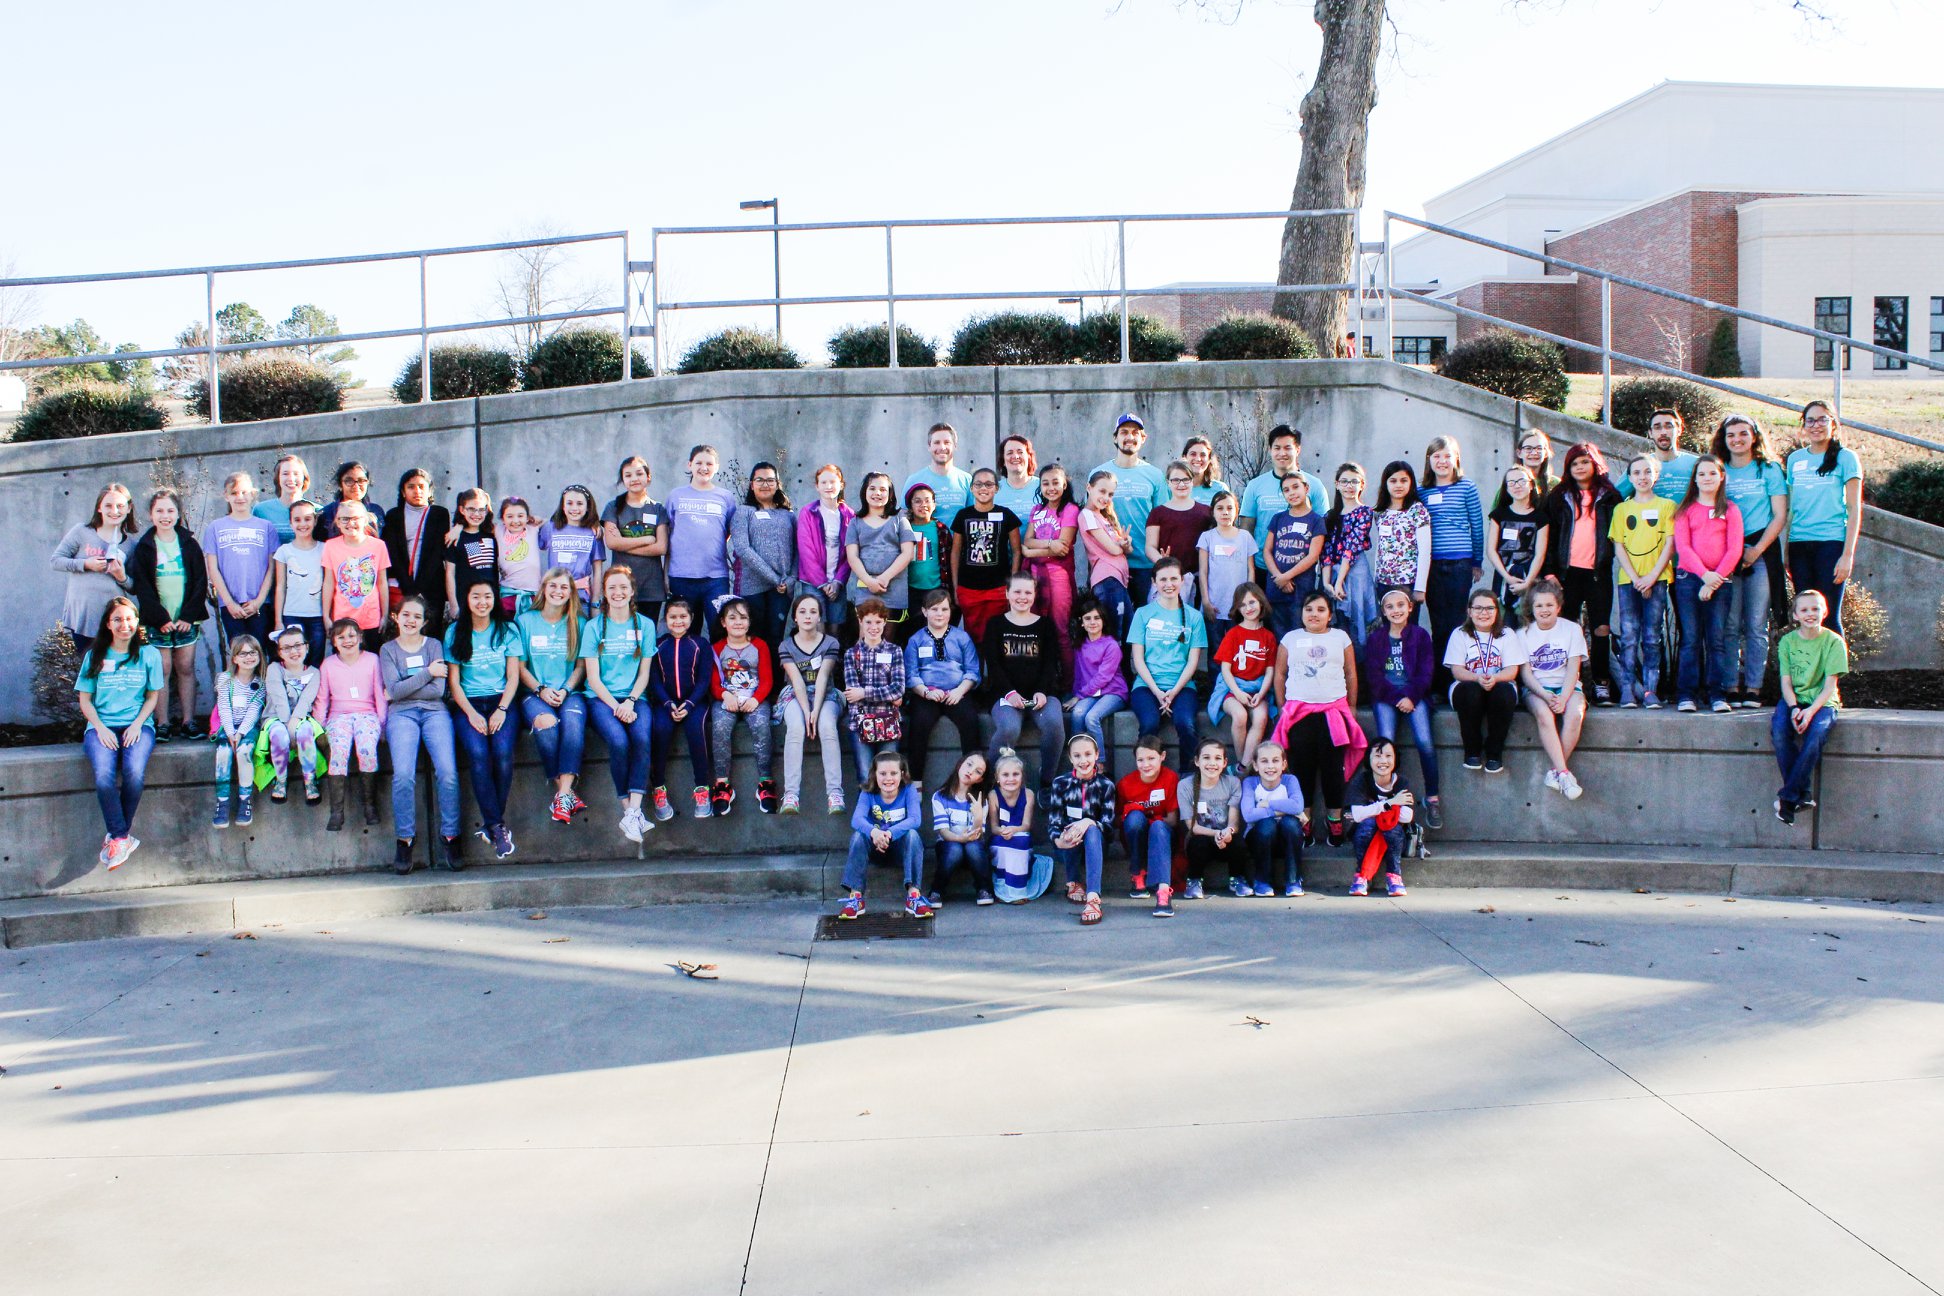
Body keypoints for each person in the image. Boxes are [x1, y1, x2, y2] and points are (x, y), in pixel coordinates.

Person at [75, 597, 163, 870]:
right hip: (101, 727)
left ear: (137, 622)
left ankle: (117, 837)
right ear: (108, 624)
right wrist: (100, 728)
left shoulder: (149, 654)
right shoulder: (95, 656)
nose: (124, 624)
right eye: (118, 620)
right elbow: (85, 700)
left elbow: (152, 697)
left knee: (134, 774)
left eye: (129, 619)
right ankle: (121, 836)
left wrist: (138, 724)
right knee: (104, 778)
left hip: (139, 725)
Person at [1270, 589, 1363, 846]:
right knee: (1302, 768)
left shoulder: (1340, 637)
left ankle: (1334, 820)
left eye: (1321, 610)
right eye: (1309, 609)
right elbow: (1279, 674)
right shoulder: (1290, 638)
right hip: (1299, 712)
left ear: (1330, 615)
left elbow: (1351, 674)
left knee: (1334, 768)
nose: (1314, 615)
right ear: (1301, 614)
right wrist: (1281, 705)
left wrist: (1352, 706)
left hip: (1334, 712)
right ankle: (1305, 820)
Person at [380, 596, 463, 874]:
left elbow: (437, 691)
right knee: (403, 775)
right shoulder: (388, 650)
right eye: (406, 615)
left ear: (425, 622)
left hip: (434, 712)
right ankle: (405, 838)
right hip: (401, 714)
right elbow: (394, 692)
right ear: (396, 617)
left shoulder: (434, 645)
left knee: (448, 772)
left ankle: (451, 835)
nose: (411, 620)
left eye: (417, 616)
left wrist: (403, 686)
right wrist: (428, 671)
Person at [1712, 415, 1790, 709]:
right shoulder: (1719, 470)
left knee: (1756, 625)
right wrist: (1732, 553)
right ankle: (1730, 685)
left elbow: (1779, 516)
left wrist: (1755, 551)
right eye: (1731, 435)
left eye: (1743, 434)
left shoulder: (1769, 469)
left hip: (1761, 550)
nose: (1737, 439)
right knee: (1730, 625)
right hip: (1726, 553)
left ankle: (1754, 688)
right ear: (1724, 438)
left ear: (1754, 437)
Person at [125, 488, 209, 742]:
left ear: (178, 514)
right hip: (158, 621)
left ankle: (188, 721)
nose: (165, 515)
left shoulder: (188, 543)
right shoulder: (146, 547)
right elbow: (143, 587)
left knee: (185, 667)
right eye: (159, 511)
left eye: (170, 510)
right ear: (150, 515)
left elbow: (199, 581)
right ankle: (162, 723)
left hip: (185, 619)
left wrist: (187, 615)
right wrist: (161, 618)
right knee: (161, 669)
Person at [584, 567, 661, 839]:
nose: (618, 593)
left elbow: (644, 673)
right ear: (604, 592)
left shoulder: (646, 625)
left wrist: (629, 701)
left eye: (623, 587)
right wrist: (617, 707)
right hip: (601, 699)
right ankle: (629, 810)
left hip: (635, 697)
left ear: (631, 591)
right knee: (619, 742)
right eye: (611, 588)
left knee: (641, 738)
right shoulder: (593, 627)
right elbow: (592, 678)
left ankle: (633, 813)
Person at [445, 584, 520, 857]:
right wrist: (472, 714)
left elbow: (513, 677)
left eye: (487, 596)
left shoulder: (507, 630)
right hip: (469, 703)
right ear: (467, 599)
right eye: (475, 596)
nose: (482, 602)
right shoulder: (455, 632)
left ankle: (493, 825)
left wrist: (501, 709)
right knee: (478, 754)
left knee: (501, 753)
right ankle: (497, 827)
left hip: (502, 701)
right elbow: (454, 681)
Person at [1543, 443, 1620, 705]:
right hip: (1567, 574)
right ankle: (1571, 682)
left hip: (1598, 574)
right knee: (1567, 629)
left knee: (1601, 629)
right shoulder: (1559, 496)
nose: (1580, 467)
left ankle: (1601, 684)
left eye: (1585, 462)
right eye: (1575, 463)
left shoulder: (1609, 496)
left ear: (1595, 464)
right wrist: (1550, 571)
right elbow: (1550, 537)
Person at [1364, 588, 1442, 830]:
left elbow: (1426, 673)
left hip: (1414, 695)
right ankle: (1384, 795)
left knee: (1424, 741)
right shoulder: (1376, 638)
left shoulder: (1420, 636)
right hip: (1387, 696)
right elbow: (1374, 677)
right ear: (1384, 611)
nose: (1396, 610)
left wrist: (1410, 696)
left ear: (1410, 607)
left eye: (1400, 605)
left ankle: (1432, 798)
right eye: (1390, 607)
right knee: (1385, 744)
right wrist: (1398, 697)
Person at [1671, 455, 1744, 715]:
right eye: (1701, 474)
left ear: (1721, 476)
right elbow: (1684, 549)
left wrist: (1714, 581)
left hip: (1721, 581)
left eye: (1712, 473)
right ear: (1695, 479)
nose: (1707, 478)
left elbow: (1735, 549)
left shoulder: (1731, 510)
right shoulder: (1685, 510)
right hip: (1689, 580)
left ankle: (1717, 695)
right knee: (1690, 639)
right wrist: (1704, 576)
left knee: (1716, 640)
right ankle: (1686, 695)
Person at [1784, 400, 1864, 637]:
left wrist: (1847, 555)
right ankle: (1808, 674)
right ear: (1804, 425)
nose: (1816, 425)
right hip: (1799, 545)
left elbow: (1854, 509)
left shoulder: (1846, 458)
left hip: (1831, 545)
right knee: (1805, 618)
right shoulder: (1795, 459)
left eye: (1822, 419)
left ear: (1834, 424)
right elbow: (1791, 510)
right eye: (1810, 420)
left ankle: (1833, 675)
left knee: (1827, 617)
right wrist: (1786, 550)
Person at [516, 568, 588, 825]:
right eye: (553, 586)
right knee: (546, 725)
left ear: (571, 594)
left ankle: (563, 795)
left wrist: (566, 689)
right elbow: (520, 667)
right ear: (544, 589)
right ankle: (566, 792)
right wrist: (541, 690)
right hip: (534, 692)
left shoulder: (578, 622)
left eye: (564, 588)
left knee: (573, 725)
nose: (558, 592)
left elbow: (581, 666)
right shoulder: (525, 621)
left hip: (569, 691)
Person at [1772, 588, 1848, 826]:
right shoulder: (1787, 642)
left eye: (1815, 609)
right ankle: (1801, 794)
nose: (1810, 614)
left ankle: (1787, 799)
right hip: (1794, 699)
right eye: (1804, 609)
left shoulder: (1834, 642)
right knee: (1780, 733)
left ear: (1824, 612)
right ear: (1795, 615)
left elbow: (1829, 686)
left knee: (1815, 736)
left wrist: (1810, 712)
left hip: (1822, 702)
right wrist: (1794, 708)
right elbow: (1785, 681)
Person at [983, 573, 1064, 785]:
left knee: (1054, 723)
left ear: (1035, 595)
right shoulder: (995, 624)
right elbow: (993, 664)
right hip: (1005, 693)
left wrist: (1041, 691)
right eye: (1017, 591)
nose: (1022, 597)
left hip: (1041, 694)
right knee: (1009, 728)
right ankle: (990, 781)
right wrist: (1010, 693)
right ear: (1007, 594)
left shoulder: (1045, 625)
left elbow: (1050, 663)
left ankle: (1046, 781)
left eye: (1028, 592)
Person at [1608, 456, 1676, 709]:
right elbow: (1619, 546)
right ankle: (1627, 690)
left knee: (1651, 637)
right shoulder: (1621, 509)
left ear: (1655, 475)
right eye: (1636, 472)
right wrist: (1637, 578)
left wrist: (1651, 577)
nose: (1642, 477)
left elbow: (1670, 545)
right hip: (1629, 582)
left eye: (1648, 472)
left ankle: (1650, 691)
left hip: (1657, 581)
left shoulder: (1667, 506)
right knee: (1628, 636)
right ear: (1630, 477)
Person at [1421, 436, 1486, 690]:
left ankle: (1459, 679)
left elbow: (1477, 525)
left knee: (1458, 623)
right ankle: (1440, 682)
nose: (1442, 461)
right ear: (1429, 460)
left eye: (1447, 455)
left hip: (1460, 563)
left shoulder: (1467, 486)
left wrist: (1477, 561)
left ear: (1456, 458)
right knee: (1438, 624)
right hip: (1432, 566)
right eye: (1436, 456)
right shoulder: (1422, 491)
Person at [1126, 557, 1207, 761]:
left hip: (1182, 686)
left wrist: (1173, 692)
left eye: (1173, 579)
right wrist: (1157, 691)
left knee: (1185, 723)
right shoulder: (1142, 614)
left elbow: (1192, 661)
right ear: (1154, 582)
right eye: (1163, 579)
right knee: (1149, 723)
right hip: (1146, 685)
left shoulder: (1194, 617)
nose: (1168, 584)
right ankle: (1147, 772)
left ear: (1182, 581)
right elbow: (1138, 660)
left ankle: (1188, 776)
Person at [902, 587, 982, 786]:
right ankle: (916, 783)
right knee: (919, 724)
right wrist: (926, 692)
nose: (940, 614)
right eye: (935, 609)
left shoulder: (961, 637)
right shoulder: (916, 640)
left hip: (957, 692)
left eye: (944, 609)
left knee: (971, 722)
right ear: (924, 611)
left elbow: (972, 671)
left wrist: (959, 691)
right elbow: (911, 675)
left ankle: (973, 781)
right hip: (927, 694)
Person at [837, 750, 929, 921]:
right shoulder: (868, 792)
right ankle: (855, 898)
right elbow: (856, 819)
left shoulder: (908, 790)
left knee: (913, 835)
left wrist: (888, 833)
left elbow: (915, 819)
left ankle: (913, 896)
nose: (888, 778)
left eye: (893, 773)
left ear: (902, 774)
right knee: (858, 836)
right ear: (874, 774)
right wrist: (874, 832)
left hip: (899, 850)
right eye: (883, 773)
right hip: (874, 849)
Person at [776, 593, 846, 816]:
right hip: (795, 695)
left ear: (820, 617)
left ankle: (835, 794)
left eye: (813, 612)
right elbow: (796, 680)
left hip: (825, 694)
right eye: (802, 611)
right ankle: (791, 795)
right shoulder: (786, 645)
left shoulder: (831, 643)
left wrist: (815, 711)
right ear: (794, 617)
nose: (808, 616)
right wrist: (807, 712)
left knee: (826, 725)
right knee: (796, 727)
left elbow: (824, 675)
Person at [1519, 578, 1589, 800]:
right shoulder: (1523, 634)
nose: (1544, 610)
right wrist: (1545, 694)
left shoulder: (1572, 629)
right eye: (1539, 605)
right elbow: (1526, 674)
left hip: (1567, 687)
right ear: (1531, 608)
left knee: (1576, 714)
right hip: (1537, 689)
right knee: (1544, 715)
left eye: (1549, 605)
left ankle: (1557, 772)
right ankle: (1565, 774)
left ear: (1558, 606)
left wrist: (1564, 697)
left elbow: (1573, 669)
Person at [51, 482, 136, 659]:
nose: (114, 511)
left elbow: (134, 586)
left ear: (129, 508)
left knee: (113, 670)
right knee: (90, 671)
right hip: (83, 616)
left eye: (120, 506)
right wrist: (85, 564)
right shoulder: (82, 532)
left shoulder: (131, 545)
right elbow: (56, 561)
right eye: (108, 505)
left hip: (115, 622)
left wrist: (121, 576)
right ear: (99, 508)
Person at [320, 616, 389, 833]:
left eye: (351, 635)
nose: (347, 640)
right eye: (341, 637)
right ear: (334, 642)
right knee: (338, 752)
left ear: (360, 637)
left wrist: (383, 724)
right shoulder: (328, 664)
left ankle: (370, 805)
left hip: (366, 714)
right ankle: (336, 811)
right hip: (338, 716)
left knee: (367, 748)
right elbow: (323, 698)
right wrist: (320, 726)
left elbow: (380, 692)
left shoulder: (372, 660)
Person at [1090, 414, 1169, 604]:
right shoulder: (1097, 474)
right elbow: (1091, 519)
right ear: (1115, 438)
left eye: (1135, 433)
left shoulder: (1155, 475)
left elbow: (1162, 520)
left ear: (1143, 439)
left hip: (1145, 564)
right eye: (1124, 432)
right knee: (1113, 626)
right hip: (1109, 564)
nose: (1130, 437)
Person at [1444, 589, 1525, 774]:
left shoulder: (1507, 634)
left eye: (1489, 608)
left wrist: (1494, 678)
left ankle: (1494, 753)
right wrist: (1477, 678)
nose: (1483, 613)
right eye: (1478, 608)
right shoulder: (1460, 634)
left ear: (1497, 611)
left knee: (1503, 693)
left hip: (1500, 683)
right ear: (1469, 611)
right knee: (1472, 691)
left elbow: (1512, 670)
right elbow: (1457, 671)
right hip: (1467, 685)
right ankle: (1472, 750)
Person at [648, 596, 713, 822]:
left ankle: (702, 790)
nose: (678, 621)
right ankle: (658, 789)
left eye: (683, 616)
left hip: (694, 703)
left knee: (697, 731)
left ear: (692, 618)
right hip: (665, 703)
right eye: (673, 617)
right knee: (661, 731)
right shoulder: (658, 645)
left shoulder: (700, 644)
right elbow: (654, 680)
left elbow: (704, 680)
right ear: (665, 619)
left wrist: (689, 704)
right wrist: (668, 704)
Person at [709, 597, 776, 815]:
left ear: (749, 621)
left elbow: (767, 679)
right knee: (719, 726)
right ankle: (722, 785)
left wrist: (756, 699)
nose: (738, 622)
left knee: (761, 726)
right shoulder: (717, 648)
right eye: (732, 618)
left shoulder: (759, 646)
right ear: (723, 623)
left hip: (754, 699)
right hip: (726, 699)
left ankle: (765, 783)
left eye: (743, 617)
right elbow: (713, 682)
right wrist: (724, 695)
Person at [665, 444, 738, 634]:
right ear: (689, 465)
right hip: (681, 577)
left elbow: (728, 531)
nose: (703, 467)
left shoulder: (726, 497)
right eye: (698, 462)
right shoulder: (676, 496)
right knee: (686, 633)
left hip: (715, 578)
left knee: (719, 630)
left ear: (716, 467)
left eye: (709, 463)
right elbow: (667, 533)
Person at [204, 471, 280, 649]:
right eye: (234, 493)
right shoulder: (215, 528)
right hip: (230, 606)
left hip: (260, 604)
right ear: (226, 496)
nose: (240, 497)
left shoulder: (266, 527)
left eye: (244, 492)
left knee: (260, 653)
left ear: (253, 494)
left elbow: (272, 567)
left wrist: (259, 600)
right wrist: (229, 603)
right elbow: (213, 568)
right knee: (239, 654)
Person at [1048, 732, 1117, 925]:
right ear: (1070, 758)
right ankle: (1073, 880)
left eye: (1088, 754)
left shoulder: (1106, 786)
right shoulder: (1060, 784)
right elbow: (1054, 821)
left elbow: (1109, 826)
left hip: (1096, 845)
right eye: (1077, 756)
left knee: (1092, 830)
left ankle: (1093, 898)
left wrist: (1088, 822)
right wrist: (1058, 840)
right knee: (1069, 829)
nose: (1083, 760)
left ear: (1096, 755)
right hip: (1068, 845)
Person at [950, 468, 1022, 644]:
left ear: (996, 488)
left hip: (998, 588)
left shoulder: (1006, 515)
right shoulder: (963, 515)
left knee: (996, 635)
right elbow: (956, 552)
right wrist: (955, 586)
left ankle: (995, 672)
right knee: (972, 637)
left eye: (989, 484)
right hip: (968, 588)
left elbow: (1017, 551)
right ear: (971, 488)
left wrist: (1012, 585)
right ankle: (976, 672)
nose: (983, 488)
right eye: (978, 484)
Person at [1211, 584, 1276, 774]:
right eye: (1242, 605)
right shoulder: (1233, 634)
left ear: (1261, 603)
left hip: (1258, 688)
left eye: (1252, 602)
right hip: (1232, 687)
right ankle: (1243, 764)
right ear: (1237, 609)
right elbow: (1225, 669)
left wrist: (1261, 693)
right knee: (1240, 716)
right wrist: (1238, 693)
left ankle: (1242, 767)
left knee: (1261, 716)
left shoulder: (1268, 637)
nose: (1248, 608)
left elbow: (1270, 671)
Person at [844, 471, 917, 638]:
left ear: (890, 494)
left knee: (889, 640)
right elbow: (852, 556)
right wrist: (869, 581)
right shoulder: (855, 522)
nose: (877, 493)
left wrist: (884, 578)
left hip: (893, 588)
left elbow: (907, 553)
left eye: (883, 489)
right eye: (872, 488)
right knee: (866, 638)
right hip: (865, 589)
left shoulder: (900, 519)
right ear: (864, 492)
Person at [729, 463, 796, 645]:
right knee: (754, 638)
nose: (765, 484)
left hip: (781, 590)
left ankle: (773, 675)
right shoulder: (744, 512)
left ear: (777, 484)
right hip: (752, 587)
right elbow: (743, 549)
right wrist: (774, 578)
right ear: (752, 484)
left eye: (770, 480)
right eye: (760, 480)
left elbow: (797, 551)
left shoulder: (788, 515)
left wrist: (790, 580)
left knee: (776, 639)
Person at [842, 599, 906, 788]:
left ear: (885, 622)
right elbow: (853, 695)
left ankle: (888, 816)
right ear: (860, 622)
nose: (873, 627)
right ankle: (869, 817)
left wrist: (865, 692)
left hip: (889, 721)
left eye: (878, 622)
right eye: (868, 622)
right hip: (860, 723)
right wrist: (885, 695)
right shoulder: (851, 654)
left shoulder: (894, 651)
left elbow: (898, 688)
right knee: (865, 775)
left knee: (891, 778)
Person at [1023, 463, 1080, 671]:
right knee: (1036, 628)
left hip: (1058, 576)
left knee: (1060, 629)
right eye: (1045, 483)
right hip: (1034, 576)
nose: (1051, 488)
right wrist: (1047, 545)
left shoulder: (1070, 510)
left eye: (1056, 482)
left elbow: (1062, 548)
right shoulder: (1037, 510)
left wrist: (1031, 552)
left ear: (1065, 484)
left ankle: (1067, 683)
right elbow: (1027, 539)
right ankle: (1044, 680)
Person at [260, 625, 324, 807]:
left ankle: (310, 780)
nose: (294, 651)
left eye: (298, 645)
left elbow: (306, 700)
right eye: (286, 648)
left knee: (305, 732)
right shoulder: (275, 669)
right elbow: (279, 699)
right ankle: (280, 779)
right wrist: (289, 726)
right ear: (279, 652)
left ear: (307, 647)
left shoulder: (314, 672)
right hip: (275, 717)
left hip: (301, 717)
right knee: (279, 735)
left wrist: (294, 724)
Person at [380, 468, 450, 635]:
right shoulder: (393, 516)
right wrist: (409, 588)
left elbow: (436, 554)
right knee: (403, 635)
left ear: (429, 490)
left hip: (432, 587)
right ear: (403, 492)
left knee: (431, 634)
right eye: (411, 487)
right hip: (403, 586)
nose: (417, 491)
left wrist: (420, 588)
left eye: (421, 486)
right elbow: (393, 554)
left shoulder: (439, 514)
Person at [1117, 733, 1180, 915]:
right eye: (1140, 760)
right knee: (1135, 817)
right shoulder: (1125, 784)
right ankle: (1137, 874)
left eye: (1151, 758)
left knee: (1158, 826)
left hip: (1162, 836)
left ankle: (1163, 892)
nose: (1146, 765)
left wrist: (1152, 820)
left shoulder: (1170, 778)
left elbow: (1173, 819)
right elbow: (1119, 819)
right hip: (1136, 837)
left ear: (1162, 756)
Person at [601, 456, 669, 623]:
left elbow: (661, 547)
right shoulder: (613, 507)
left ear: (648, 477)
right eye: (628, 475)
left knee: (647, 637)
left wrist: (623, 544)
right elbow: (611, 543)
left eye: (639, 473)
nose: (634, 479)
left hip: (651, 587)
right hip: (620, 587)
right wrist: (647, 539)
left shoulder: (657, 509)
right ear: (623, 480)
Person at [1259, 470, 1326, 636]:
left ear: (1306, 488)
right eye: (1286, 490)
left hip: (1301, 587)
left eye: (1296, 487)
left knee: (1298, 630)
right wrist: (1278, 577)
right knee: (1277, 632)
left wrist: (1287, 576)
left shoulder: (1316, 520)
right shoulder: (1278, 518)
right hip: (1276, 585)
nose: (1292, 493)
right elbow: (1267, 551)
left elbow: (1313, 556)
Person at [209, 635, 266, 829]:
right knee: (223, 753)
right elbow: (223, 706)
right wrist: (231, 732)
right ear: (234, 658)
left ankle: (245, 800)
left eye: (253, 652)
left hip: (248, 729)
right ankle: (222, 802)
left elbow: (254, 711)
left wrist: (240, 734)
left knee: (243, 752)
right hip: (228, 727)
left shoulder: (260, 682)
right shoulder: (225, 679)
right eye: (243, 653)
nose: (249, 657)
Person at [1065, 597, 1128, 771]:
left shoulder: (1111, 645)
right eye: (1088, 618)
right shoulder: (1080, 645)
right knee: (1078, 714)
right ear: (1082, 622)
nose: (1092, 622)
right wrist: (1075, 695)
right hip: (1090, 693)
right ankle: (1077, 762)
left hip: (1114, 692)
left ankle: (1100, 764)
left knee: (1092, 717)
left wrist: (1078, 696)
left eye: (1097, 618)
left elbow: (1103, 677)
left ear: (1103, 621)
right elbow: (1079, 675)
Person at [1346, 739, 1415, 898]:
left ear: (1395, 759)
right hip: (1365, 835)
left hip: (1394, 837)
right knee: (1368, 824)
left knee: (1390, 827)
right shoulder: (1362, 781)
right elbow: (1357, 815)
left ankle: (1394, 876)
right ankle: (1361, 876)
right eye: (1377, 756)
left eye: (1388, 756)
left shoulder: (1402, 782)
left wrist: (1372, 809)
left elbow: (1407, 817)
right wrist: (1391, 803)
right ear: (1368, 760)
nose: (1383, 761)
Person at [1178, 738, 1243, 904]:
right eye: (1206, 758)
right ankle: (1194, 880)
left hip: (1225, 838)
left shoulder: (1233, 783)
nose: (1212, 763)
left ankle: (1237, 878)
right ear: (1197, 761)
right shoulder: (1185, 785)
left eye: (1217, 758)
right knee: (1196, 843)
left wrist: (1227, 833)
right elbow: (1191, 826)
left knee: (1238, 842)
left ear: (1225, 762)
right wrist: (1216, 833)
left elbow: (1234, 822)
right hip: (1203, 837)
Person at [321, 499, 391, 653]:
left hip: (370, 617)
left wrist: (385, 614)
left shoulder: (378, 545)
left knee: (372, 659)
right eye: (344, 519)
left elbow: (382, 583)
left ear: (365, 520)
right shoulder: (330, 546)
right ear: (337, 522)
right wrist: (326, 615)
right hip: (342, 618)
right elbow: (328, 583)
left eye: (355, 518)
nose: (350, 523)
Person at [1239, 740, 1306, 897]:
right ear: (1255, 766)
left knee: (1290, 823)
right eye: (1264, 761)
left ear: (1283, 764)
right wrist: (1280, 811)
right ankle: (1262, 880)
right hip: (1259, 839)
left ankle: (1293, 880)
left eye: (1275, 761)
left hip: (1286, 840)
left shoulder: (1290, 780)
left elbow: (1297, 807)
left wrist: (1268, 804)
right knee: (1267, 824)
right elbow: (1248, 815)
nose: (1270, 766)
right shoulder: (1250, 783)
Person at [1239, 424, 1329, 539]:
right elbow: (1246, 530)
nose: (1282, 453)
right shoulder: (1254, 486)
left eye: (1287, 448)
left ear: (1298, 450)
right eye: (1277, 448)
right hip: (1262, 557)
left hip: (1304, 557)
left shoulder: (1315, 485)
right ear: (1270, 450)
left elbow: (1323, 528)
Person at [1321, 463, 1377, 648]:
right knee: (1336, 625)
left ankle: (1359, 671)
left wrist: (1339, 582)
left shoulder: (1365, 512)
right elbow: (1326, 549)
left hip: (1354, 572)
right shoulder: (1330, 515)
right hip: (1333, 574)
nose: (1349, 486)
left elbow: (1352, 547)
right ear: (1337, 484)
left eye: (1354, 481)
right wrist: (1326, 583)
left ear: (1362, 485)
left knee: (1357, 623)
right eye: (1344, 481)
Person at [1146, 460, 1213, 606]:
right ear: (1168, 482)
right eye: (1175, 480)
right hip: (1168, 581)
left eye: (1185, 479)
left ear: (1192, 480)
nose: (1181, 484)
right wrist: (1163, 563)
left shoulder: (1205, 512)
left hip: (1198, 579)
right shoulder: (1158, 513)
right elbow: (1150, 547)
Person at [928, 751, 991, 907]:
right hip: (949, 845)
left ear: (980, 779)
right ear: (960, 765)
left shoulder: (981, 800)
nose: (971, 771)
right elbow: (943, 832)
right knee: (955, 849)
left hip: (972, 844)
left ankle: (984, 888)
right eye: (969, 764)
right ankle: (936, 890)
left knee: (973, 848)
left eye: (978, 771)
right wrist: (960, 839)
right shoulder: (940, 796)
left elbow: (978, 834)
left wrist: (977, 817)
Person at [1196, 490, 1255, 651]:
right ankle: (1215, 677)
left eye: (1230, 508)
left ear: (1236, 511)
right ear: (1213, 512)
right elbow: (1203, 572)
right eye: (1220, 508)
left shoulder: (1245, 537)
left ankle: (1235, 677)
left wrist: (1248, 602)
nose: (1225, 512)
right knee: (1216, 649)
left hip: (1239, 606)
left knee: (1238, 649)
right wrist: (1206, 602)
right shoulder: (1207, 537)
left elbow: (1251, 571)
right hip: (1214, 605)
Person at [796, 465, 853, 630]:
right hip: (812, 583)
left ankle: (833, 657)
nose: (828, 486)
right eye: (824, 482)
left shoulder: (850, 515)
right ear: (817, 486)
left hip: (837, 583)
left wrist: (838, 581)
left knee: (835, 629)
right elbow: (806, 552)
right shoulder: (808, 512)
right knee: (816, 628)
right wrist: (822, 583)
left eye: (833, 482)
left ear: (841, 484)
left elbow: (851, 553)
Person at [1485, 466, 1548, 615]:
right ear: (1506, 488)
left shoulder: (1541, 517)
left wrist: (1527, 583)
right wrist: (1507, 577)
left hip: (1530, 577)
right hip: (1504, 576)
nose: (1517, 486)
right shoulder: (1498, 515)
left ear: (1531, 485)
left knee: (1527, 622)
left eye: (1521, 481)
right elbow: (1491, 550)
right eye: (1511, 483)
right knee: (1503, 623)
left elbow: (1540, 554)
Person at [1078, 470, 1135, 637]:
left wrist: (1125, 543)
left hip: (1118, 580)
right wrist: (1121, 545)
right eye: (1102, 491)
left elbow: (1128, 550)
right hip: (1107, 580)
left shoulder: (1103, 516)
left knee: (1126, 632)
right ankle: (1116, 664)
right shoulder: (1087, 515)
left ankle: (1123, 664)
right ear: (1089, 487)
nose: (1106, 498)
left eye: (1110, 494)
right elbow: (1114, 550)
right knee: (1115, 635)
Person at [1369, 459, 1431, 607]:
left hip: (1408, 583)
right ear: (1386, 483)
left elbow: (1425, 551)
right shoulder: (1380, 512)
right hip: (1384, 582)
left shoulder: (1417, 510)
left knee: (1408, 628)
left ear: (1411, 483)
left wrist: (1420, 588)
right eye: (1393, 481)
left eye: (1404, 480)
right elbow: (1381, 548)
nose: (1398, 485)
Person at [272, 500, 328, 666]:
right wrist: (278, 620)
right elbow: (280, 587)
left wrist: (327, 616)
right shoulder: (284, 551)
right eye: (297, 520)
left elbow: (328, 585)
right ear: (290, 522)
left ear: (315, 521)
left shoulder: (325, 549)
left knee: (315, 661)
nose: (302, 524)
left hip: (317, 616)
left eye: (307, 519)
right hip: (292, 614)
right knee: (293, 661)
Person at [538, 483, 608, 610]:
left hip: (581, 597)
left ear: (588, 507)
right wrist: (537, 521)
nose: (574, 508)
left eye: (580, 504)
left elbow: (597, 570)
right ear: (563, 507)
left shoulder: (593, 533)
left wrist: (595, 601)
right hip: (555, 595)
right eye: (569, 503)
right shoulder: (550, 528)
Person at [1615, 409, 1699, 504]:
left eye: (1668, 426)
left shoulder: (1696, 464)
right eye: (1657, 427)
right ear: (1650, 433)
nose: (1663, 432)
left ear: (1679, 430)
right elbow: (1613, 498)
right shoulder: (1640, 466)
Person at [987, 748, 1036, 905]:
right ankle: (1002, 890)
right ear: (997, 778)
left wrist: (1014, 830)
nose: (1011, 779)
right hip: (1001, 837)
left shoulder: (1028, 794)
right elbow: (993, 827)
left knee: (1021, 841)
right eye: (1005, 775)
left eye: (1016, 774)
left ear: (1022, 776)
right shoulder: (993, 795)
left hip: (1020, 834)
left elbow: (1026, 825)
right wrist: (1003, 831)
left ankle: (1018, 890)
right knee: (1001, 844)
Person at [443, 488, 499, 622]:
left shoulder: (493, 535)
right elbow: (450, 573)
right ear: (462, 510)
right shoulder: (455, 538)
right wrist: (453, 604)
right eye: (471, 509)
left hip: (490, 602)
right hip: (465, 602)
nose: (476, 514)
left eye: (481, 509)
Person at [906, 423, 973, 529]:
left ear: (955, 446)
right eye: (937, 442)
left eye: (947, 442)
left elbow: (973, 516)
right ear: (929, 446)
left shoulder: (967, 480)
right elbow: (904, 517)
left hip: (960, 544)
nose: (942, 447)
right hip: (924, 544)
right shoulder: (914, 480)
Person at [902, 483, 947, 613]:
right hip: (910, 589)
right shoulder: (905, 528)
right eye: (917, 501)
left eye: (927, 501)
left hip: (936, 588)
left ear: (934, 505)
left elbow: (948, 559)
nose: (923, 505)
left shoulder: (940, 529)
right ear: (910, 506)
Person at [495, 496, 543, 616]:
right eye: (510, 516)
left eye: (520, 516)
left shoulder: (532, 529)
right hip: (508, 593)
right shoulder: (498, 530)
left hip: (533, 594)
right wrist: (458, 528)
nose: (515, 521)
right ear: (502, 518)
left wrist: (536, 519)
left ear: (527, 518)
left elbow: (545, 520)